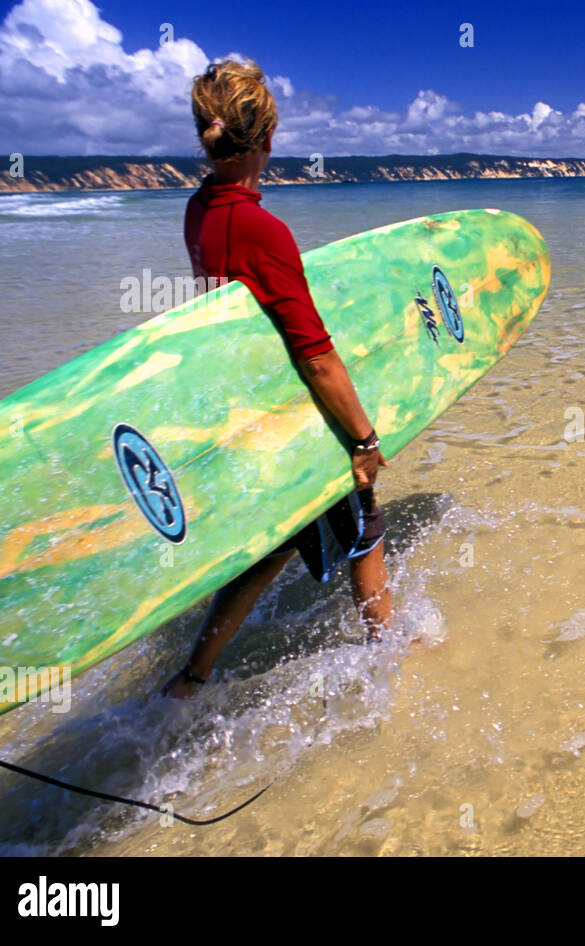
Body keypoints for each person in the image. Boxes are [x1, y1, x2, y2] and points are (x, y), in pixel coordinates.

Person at [161, 60, 393, 699]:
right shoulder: (265, 231)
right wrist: (365, 440)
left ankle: (192, 676)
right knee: (365, 523)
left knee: (273, 547)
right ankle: (392, 656)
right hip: (293, 412)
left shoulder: (197, 208)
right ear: (267, 138)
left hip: (249, 407)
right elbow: (315, 354)